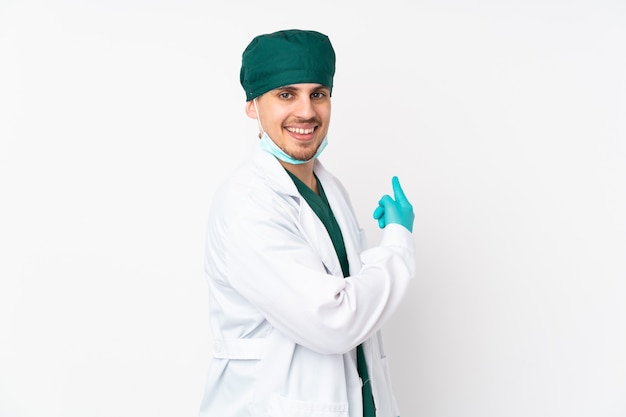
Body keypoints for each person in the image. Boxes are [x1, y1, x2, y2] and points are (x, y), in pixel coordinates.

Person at [199, 29, 416, 417]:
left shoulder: (329, 189)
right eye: (286, 94)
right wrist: (396, 245)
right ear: (253, 105)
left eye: (318, 93)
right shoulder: (247, 205)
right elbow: (335, 321)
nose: (306, 112)